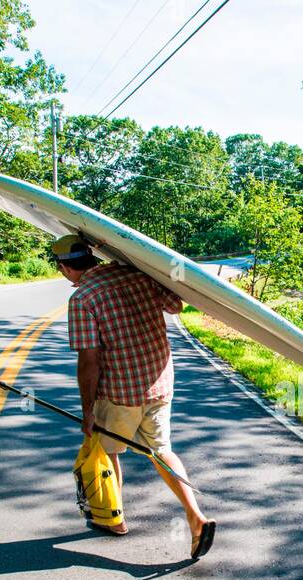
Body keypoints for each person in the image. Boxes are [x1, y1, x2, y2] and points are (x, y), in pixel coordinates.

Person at [54, 234, 216, 559]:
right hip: (160, 383)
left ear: (64, 268)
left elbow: (89, 361)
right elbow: (177, 305)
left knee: (108, 451)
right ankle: (195, 517)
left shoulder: (83, 298)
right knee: (161, 450)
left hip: (120, 393)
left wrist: (88, 412)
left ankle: (115, 520)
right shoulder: (135, 272)